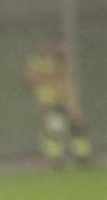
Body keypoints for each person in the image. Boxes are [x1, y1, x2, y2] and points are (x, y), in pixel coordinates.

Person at [24, 38, 92, 167]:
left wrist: (73, 102)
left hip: (66, 100)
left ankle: (83, 156)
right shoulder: (39, 61)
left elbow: (69, 83)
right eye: (60, 45)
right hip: (49, 102)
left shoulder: (66, 63)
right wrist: (50, 77)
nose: (63, 48)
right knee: (54, 130)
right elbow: (32, 80)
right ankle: (54, 160)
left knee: (77, 126)